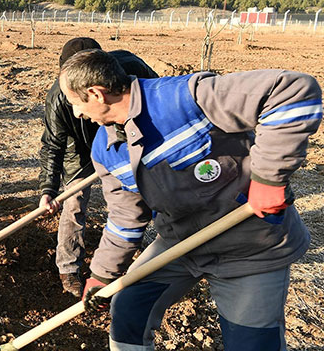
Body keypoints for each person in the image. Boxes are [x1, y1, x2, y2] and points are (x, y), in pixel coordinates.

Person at [59, 49, 320, 351]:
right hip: (180, 245)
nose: (77, 113)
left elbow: (292, 90)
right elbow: (124, 218)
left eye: (76, 103)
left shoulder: (185, 98)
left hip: (251, 247)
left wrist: (268, 178)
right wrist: (102, 275)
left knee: (250, 343)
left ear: (96, 94)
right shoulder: (106, 150)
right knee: (128, 308)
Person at [38, 37, 159, 297]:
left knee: (145, 191)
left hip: (125, 136)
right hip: (79, 148)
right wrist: (48, 188)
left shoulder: (129, 69)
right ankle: (69, 268)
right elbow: (53, 145)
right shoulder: (60, 99)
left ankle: (147, 252)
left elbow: (154, 98)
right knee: (73, 204)